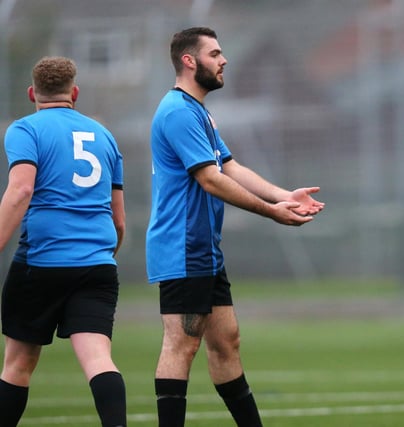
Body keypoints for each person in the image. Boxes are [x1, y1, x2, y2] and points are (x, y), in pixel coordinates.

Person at [146, 27, 324, 427]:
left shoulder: (197, 111)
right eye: (215, 53)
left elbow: (230, 166)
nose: (224, 59)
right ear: (189, 61)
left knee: (226, 343)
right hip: (182, 247)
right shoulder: (177, 111)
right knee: (181, 345)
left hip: (204, 249)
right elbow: (209, 179)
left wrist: (284, 197)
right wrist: (269, 211)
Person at [0, 56, 127, 427]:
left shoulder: (25, 129)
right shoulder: (104, 135)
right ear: (74, 92)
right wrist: (103, 254)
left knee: (19, 363)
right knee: (98, 360)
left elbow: (21, 189)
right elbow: (118, 219)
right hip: (97, 265)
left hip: (42, 263)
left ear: (31, 94)